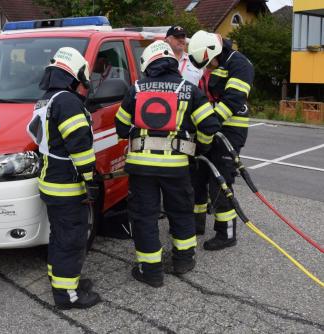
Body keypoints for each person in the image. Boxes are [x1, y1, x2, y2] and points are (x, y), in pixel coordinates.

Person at [114, 41, 220, 287]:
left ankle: (150, 272)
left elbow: (120, 128)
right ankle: (183, 260)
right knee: (181, 212)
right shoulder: (189, 89)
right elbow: (210, 126)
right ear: (172, 62)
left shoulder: (136, 89)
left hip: (141, 168)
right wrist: (198, 148)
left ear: (148, 64)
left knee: (144, 217)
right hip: (176, 167)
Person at [28, 47, 101, 309]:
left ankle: (62, 280)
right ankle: (67, 295)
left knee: (60, 237)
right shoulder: (68, 102)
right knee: (72, 239)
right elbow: (79, 144)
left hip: (51, 182)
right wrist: (90, 178)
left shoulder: (46, 100)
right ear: (75, 73)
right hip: (68, 186)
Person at [188, 31, 254, 250]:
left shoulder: (240, 64)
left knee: (220, 180)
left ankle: (226, 234)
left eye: (209, 62)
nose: (209, 67)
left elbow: (233, 100)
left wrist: (208, 122)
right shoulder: (214, 64)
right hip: (209, 127)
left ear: (216, 51)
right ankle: (196, 223)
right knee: (197, 175)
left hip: (230, 130)